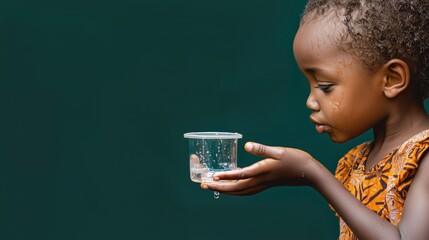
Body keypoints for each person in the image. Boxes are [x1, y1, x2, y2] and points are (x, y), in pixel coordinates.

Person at [201, 0, 429, 239]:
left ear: (392, 79)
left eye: (325, 86)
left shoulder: (424, 157)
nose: (311, 101)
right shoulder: (357, 161)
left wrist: (313, 174)